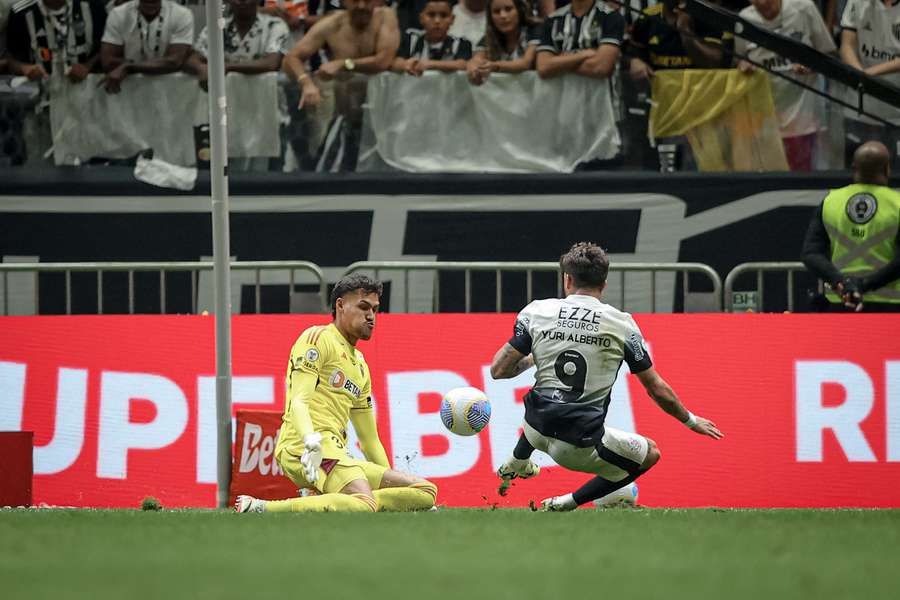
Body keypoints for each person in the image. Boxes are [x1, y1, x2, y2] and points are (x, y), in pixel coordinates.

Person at [490, 242, 723, 511]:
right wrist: (691, 421)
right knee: (651, 453)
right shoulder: (621, 324)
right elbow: (655, 388)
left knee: (548, 400)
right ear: (604, 283)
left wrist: (537, 355)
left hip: (532, 428)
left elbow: (499, 370)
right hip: (577, 446)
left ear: (567, 279)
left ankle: (519, 459)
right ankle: (567, 502)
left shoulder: (536, 311)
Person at [236, 274, 438, 513]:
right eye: (363, 307)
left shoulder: (360, 366)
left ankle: (326, 499)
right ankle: (263, 508)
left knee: (425, 492)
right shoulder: (317, 339)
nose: (371, 316)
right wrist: (310, 441)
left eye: (375, 309)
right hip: (304, 446)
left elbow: (369, 440)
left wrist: (391, 489)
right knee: (365, 503)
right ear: (340, 305)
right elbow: (299, 401)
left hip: (338, 453)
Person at [626, 0, 732, 171]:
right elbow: (630, 54)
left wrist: (686, 32)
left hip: (707, 115)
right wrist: (634, 61)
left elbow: (715, 62)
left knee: (711, 173)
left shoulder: (710, 16)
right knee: (669, 173)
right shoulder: (647, 18)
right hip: (666, 115)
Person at [736, 0, 836, 172]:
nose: (762, 4)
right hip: (763, 122)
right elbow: (739, 59)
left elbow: (828, 54)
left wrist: (811, 65)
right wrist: (743, 65)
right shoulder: (744, 18)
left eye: (767, 2)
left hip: (802, 119)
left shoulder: (805, 8)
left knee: (800, 182)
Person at [801, 141, 900, 311]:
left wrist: (841, 282)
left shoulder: (830, 202)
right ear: (886, 169)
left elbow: (811, 254)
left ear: (854, 168)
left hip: (841, 303)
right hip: (890, 308)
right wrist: (864, 284)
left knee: (844, 339)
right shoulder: (897, 203)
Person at [839, 0, 900, 168]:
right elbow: (846, 46)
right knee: (858, 174)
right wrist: (859, 74)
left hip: (895, 111)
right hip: (858, 109)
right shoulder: (857, 2)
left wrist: (868, 75)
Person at [187, 0, 290, 91]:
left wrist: (225, 67)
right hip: (227, 100)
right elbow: (193, 57)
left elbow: (271, 63)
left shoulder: (274, 25)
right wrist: (201, 68)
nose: (242, 1)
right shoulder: (217, 27)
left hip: (264, 99)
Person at [99, 0, 193, 93]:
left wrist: (128, 67)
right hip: (127, 89)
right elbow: (108, 62)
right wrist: (158, 65)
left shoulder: (181, 14)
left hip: (169, 88)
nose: (149, 3)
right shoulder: (118, 14)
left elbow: (174, 61)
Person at [466, 0, 541, 85]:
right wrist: (473, 68)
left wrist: (495, 66)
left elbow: (525, 63)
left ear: (519, 10)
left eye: (508, 9)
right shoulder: (489, 37)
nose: (503, 16)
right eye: (496, 11)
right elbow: (477, 59)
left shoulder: (535, 30)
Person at [393, 0, 473, 76]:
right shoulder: (410, 39)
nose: (437, 21)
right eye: (431, 15)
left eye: (443, 15)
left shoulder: (461, 43)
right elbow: (396, 62)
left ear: (452, 19)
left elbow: (462, 64)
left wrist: (428, 64)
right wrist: (405, 65)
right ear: (421, 18)